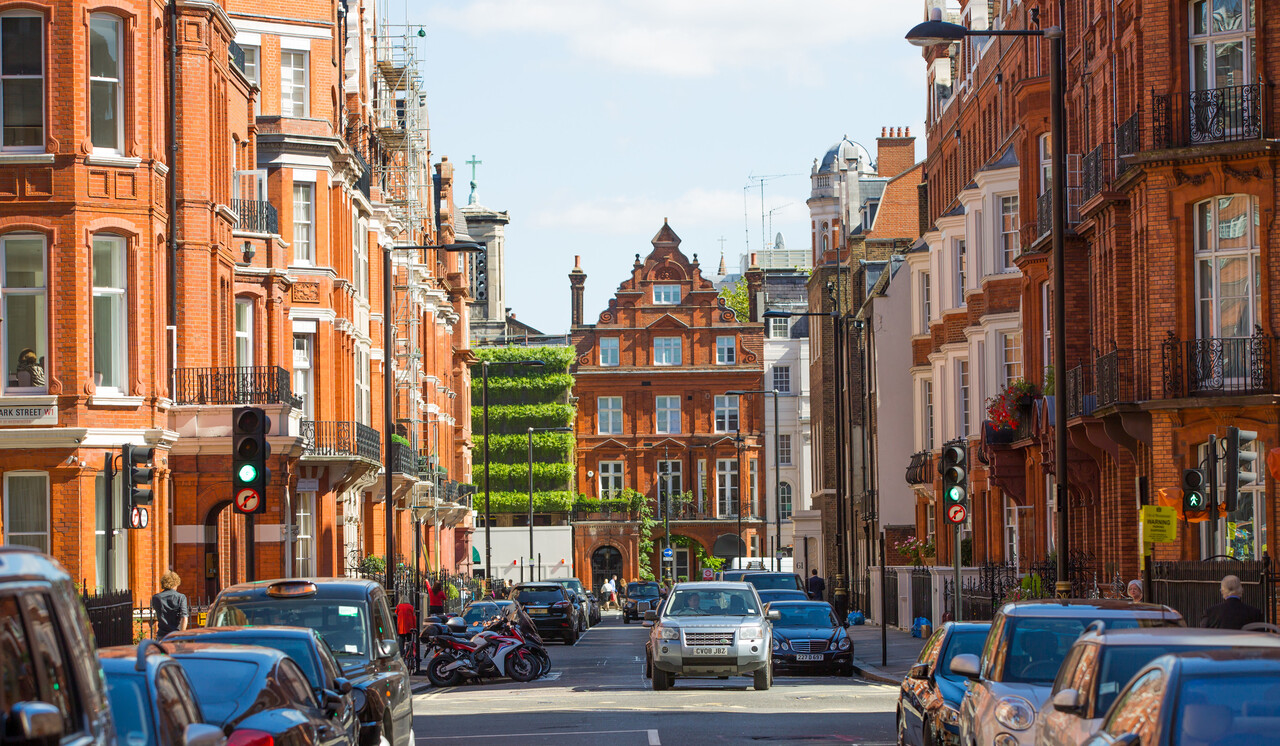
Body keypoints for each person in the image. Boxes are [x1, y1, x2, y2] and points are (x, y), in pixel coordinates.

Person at [151, 571, 189, 639]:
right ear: (176, 583)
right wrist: (182, 634)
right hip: (176, 634)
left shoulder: (156, 598)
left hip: (162, 635)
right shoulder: (181, 597)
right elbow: (184, 617)